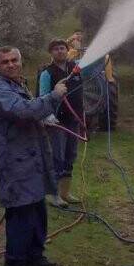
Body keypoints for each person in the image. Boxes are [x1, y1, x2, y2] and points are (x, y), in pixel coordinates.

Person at [0, 46, 67, 266]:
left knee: (37, 209)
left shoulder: (17, 85)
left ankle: (35, 257)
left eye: (14, 60)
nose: (11, 64)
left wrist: (45, 116)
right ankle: (15, 262)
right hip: (14, 163)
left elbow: (29, 113)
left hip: (30, 160)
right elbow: (21, 111)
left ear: (20, 62)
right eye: (5, 62)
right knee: (21, 211)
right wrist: (53, 96)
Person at [37, 39, 83, 206]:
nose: (60, 51)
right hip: (57, 122)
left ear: (67, 50)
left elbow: (95, 67)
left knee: (70, 155)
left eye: (62, 48)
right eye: (56, 49)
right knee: (57, 157)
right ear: (51, 53)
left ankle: (65, 192)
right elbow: (43, 96)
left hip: (73, 119)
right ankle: (52, 194)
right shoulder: (47, 73)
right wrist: (47, 115)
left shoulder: (76, 68)